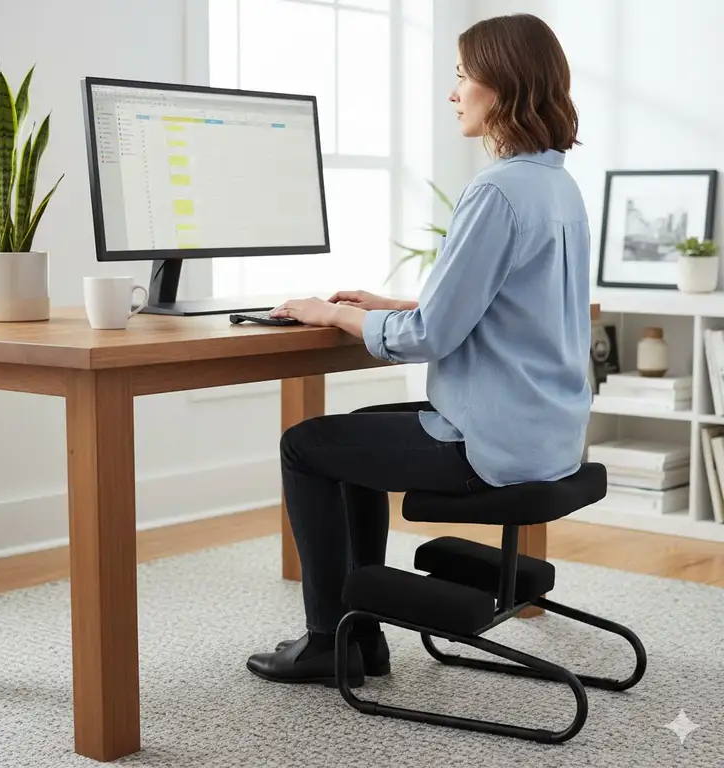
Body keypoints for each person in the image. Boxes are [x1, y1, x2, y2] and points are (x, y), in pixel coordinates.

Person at [246, 13, 592, 688]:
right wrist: (391, 304)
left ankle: (329, 641)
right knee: (352, 438)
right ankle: (360, 634)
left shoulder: (496, 189)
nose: (454, 93)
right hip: (546, 434)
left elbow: (432, 336)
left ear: (504, 84)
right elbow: (507, 305)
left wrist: (330, 313)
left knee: (304, 446)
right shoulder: (556, 185)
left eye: (463, 77)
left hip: (492, 445)